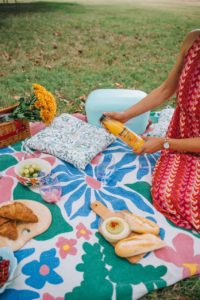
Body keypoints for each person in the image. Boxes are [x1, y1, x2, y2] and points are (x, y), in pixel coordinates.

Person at [104, 29, 200, 232]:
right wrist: (126, 115)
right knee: (167, 194)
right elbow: (166, 89)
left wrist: (165, 143)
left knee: (190, 200)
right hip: (181, 135)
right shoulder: (193, 40)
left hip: (183, 143)